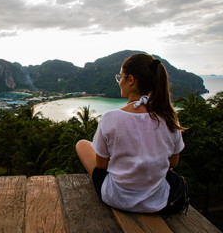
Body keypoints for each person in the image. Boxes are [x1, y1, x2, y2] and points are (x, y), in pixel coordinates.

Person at [76, 53, 185, 213]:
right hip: (158, 200)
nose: (119, 82)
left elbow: (101, 165)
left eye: (120, 77)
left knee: (82, 144)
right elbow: (173, 163)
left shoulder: (111, 118)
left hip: (117, 197)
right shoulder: (169, 117)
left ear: (131, 80)